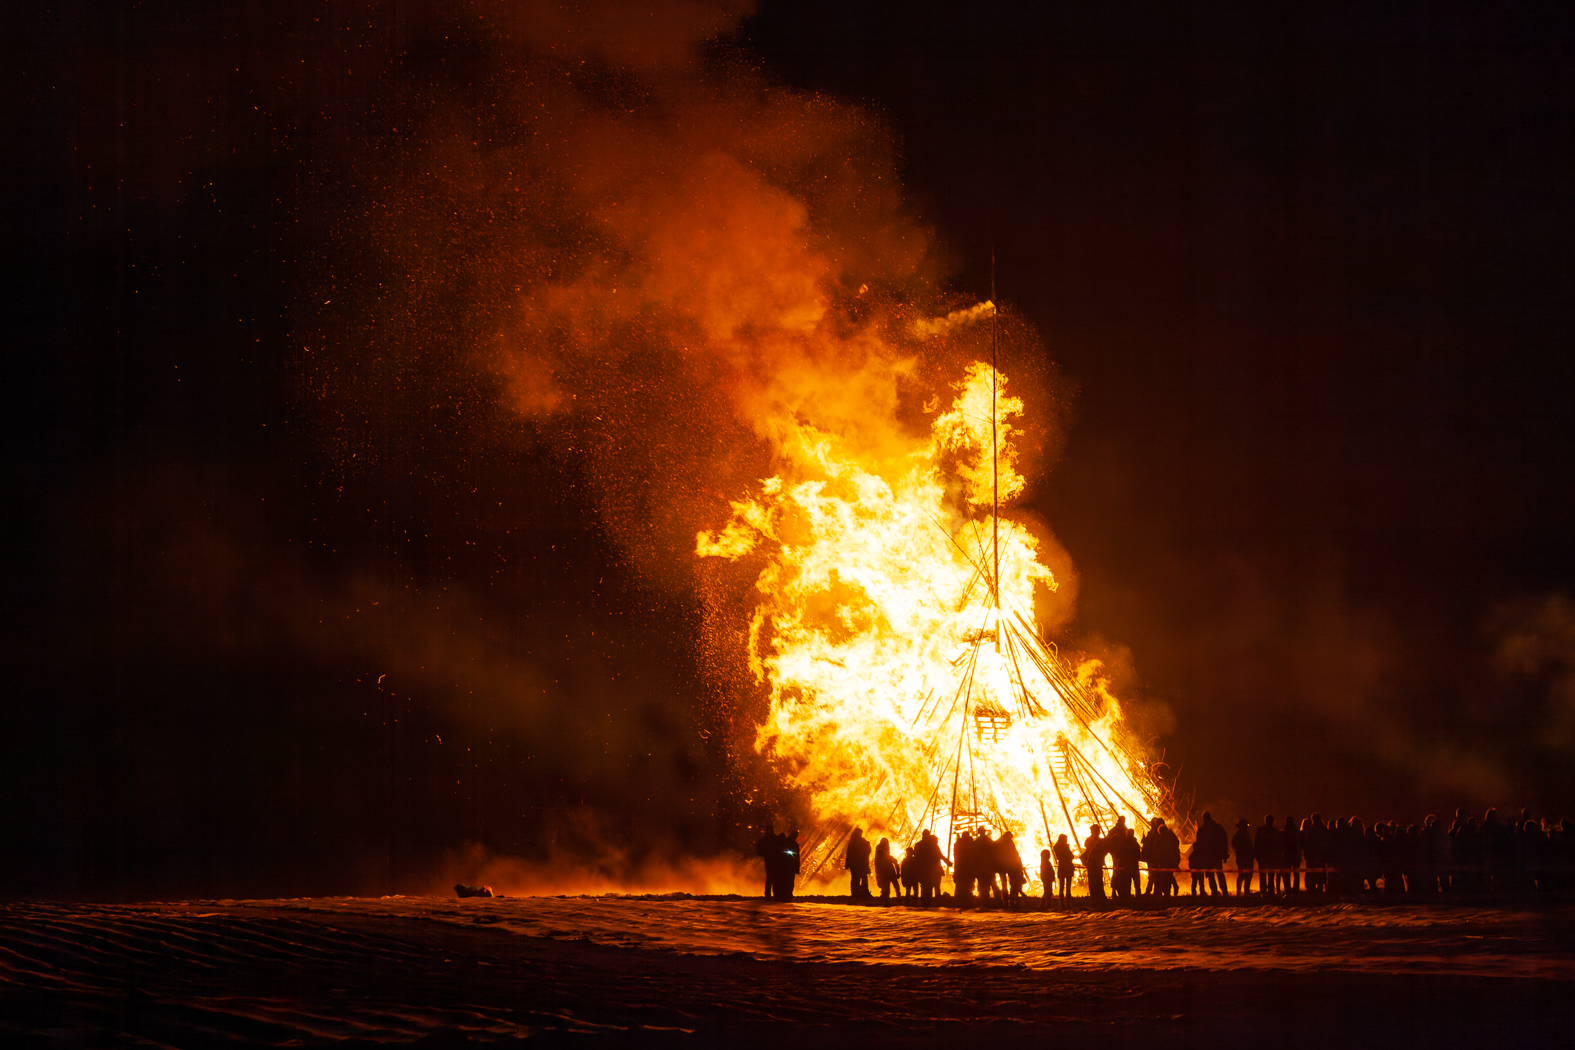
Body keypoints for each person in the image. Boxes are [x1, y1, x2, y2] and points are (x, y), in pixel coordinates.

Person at [1190, 812, 1229, 897]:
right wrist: (1225, 854)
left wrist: (1200, 858)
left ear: (1203, 819)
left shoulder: (1201, 830)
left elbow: (1199, 845)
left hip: (1208, 856)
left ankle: (1214, 892)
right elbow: (1224, 841)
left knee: (1211, 874)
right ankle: (1224, 891)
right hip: (1217, 855)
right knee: (1219, 873)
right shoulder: (1218, 828)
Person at [995, 830, 1027, 906]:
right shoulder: (1008, 843)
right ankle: (1011, 900)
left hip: (1002, 866)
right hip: (1009, 866)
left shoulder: (998, 843)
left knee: (1005, 884)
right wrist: (1018, 864)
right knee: (1012, 883)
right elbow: (1014, 854)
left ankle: (1006, 900)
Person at [1082, 824, 1109, 900]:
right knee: (1096, 880)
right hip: (1095, 863)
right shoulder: (1096, 840)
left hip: (1092, 863)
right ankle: (1097, 896)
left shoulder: (1089, 840)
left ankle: (1096, 896)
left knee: (1095, 880)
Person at [844, 827, 872, 899]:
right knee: (862, 878)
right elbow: (868, 850)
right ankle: (863, 892)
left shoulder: (853, 842)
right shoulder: (861, 841)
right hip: (860, 863)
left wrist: (847, 864)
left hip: (856, 864)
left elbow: (848, 853)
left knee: (856, 878)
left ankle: (856, 893)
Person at [1254, 816, 1279, 896]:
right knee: (1268, 875)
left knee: (1266, 875)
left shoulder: (1261, 830)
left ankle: (1265, 891)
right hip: (1268, 856)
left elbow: (1256, 843)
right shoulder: (1274, 831)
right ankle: (1268, 891)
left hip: (1265, 856)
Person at [754, 826, 780, 899]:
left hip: (769, 860)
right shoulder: (774, 839)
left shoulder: (764, 839)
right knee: (773, 877)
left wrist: (764, 855)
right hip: (773, 860)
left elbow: (758, 848)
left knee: (770, 877)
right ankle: (774, 893)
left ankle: (768, 893)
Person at [1232, 818, 1256, 897]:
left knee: (1246, 875)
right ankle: (1242, 892)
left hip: (1244, 857)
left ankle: (1245, 892)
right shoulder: (1240, 835)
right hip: (1243, 858)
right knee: (1243, 875)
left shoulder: (1239, 835)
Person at [1053, 833, 1076, 901]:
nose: (1066, 840)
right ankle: (1067, 901)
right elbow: (1071, 856)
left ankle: (1062, 901)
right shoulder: (1064, 848)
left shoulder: (1057, 847)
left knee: (1062, 885)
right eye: (1066, 839)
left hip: (1062, 867)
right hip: (1067, 867)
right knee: (1067, 885)